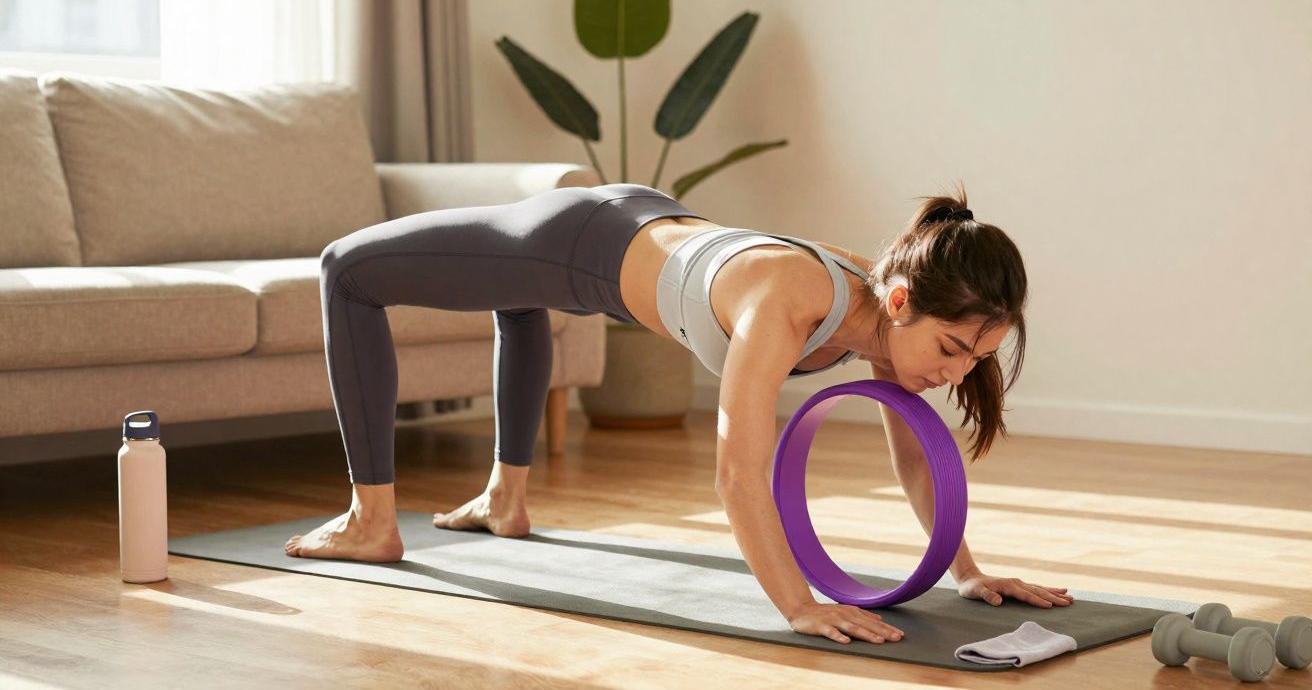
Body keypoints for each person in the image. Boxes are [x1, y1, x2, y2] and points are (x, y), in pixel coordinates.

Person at [284, 180, 1069, 645]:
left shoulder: (883, 308)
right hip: (580, 238)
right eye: (954, 347)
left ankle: (504, 501)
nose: (955, 371)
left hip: (650, 224)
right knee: (345, 269)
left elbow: (915, 457)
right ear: (902, 303)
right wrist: (798, 605)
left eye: (975, 358)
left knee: (516, 300)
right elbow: (737, 471)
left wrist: (963, 571)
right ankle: (372, 519)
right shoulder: (786, 302)